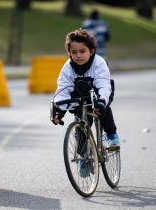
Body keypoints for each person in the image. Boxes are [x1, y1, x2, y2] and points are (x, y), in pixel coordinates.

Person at [51, 29, 119, 177]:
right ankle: (83, 157)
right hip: (80, 97)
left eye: (82, 51)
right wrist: (58, 111)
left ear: (92, 50)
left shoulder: (99, 63)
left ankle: (112, 136)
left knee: (103, 110)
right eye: (74, 52)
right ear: (69, 52)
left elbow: (103, 85)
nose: (78, 55)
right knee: (80, 124)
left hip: (99, 93)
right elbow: (63, 90)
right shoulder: (67, 68)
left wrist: (101, 102)